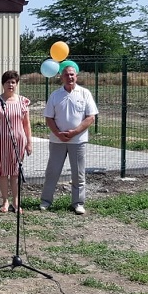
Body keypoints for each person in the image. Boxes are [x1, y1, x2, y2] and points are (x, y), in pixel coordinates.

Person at [40, 65, 98, 215]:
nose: (69, 77)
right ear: (61, 77)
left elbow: (91, 117)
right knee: (52, 172)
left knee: (78, 173)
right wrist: (58, 133)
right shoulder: (55, 95)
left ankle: (78, 203)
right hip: (57, 141)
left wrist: (75, 132)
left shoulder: (85, 94)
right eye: (66, 75)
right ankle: (45, 201)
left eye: (72, 74)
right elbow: (49, 117)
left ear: (76, 76)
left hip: (78, 141)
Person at [0, 70, 33, 214]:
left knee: (15, 173)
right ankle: (5, 200)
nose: (10, 85)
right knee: (2, 172)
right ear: (3, 84)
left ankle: (16, 202)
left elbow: (26, 125)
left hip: (18, 143)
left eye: (13, 82)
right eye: (8, 82)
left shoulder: (23, 101)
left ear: (17, 84)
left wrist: (29, 142)